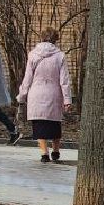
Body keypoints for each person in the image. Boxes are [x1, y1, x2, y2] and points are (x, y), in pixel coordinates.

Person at [18, 28, 73, 162]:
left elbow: (27, 78)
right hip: (54, 93)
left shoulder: (33, 55)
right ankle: (56, 151)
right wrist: (67, 99)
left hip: (36, 93)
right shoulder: (60, 56)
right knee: (54, 124)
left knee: (39, 124)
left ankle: (44, 153)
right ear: (56, 39)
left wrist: (22, 95)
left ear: (42, 38)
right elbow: (64, 80)